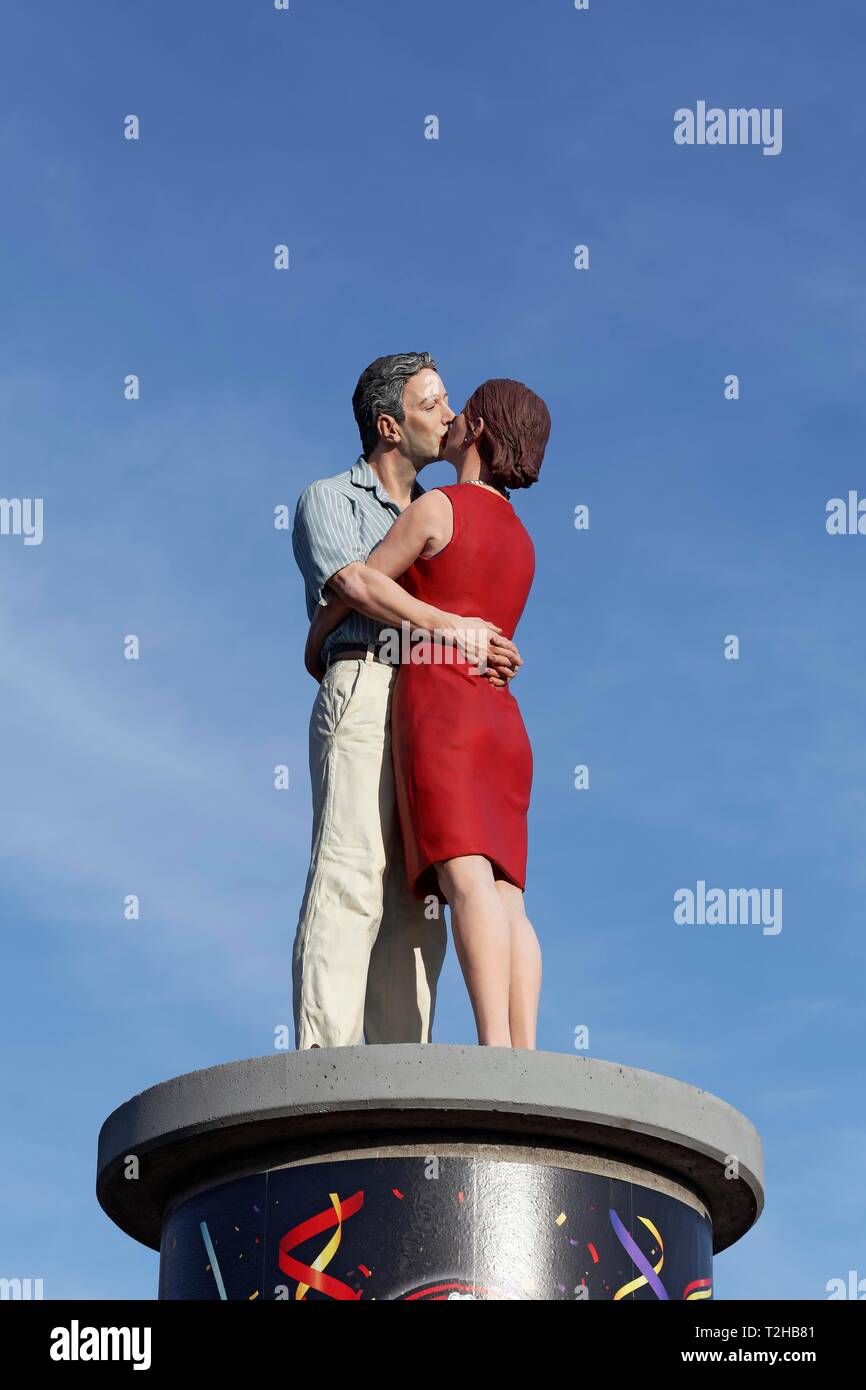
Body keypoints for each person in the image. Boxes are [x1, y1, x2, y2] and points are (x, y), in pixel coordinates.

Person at [306, 379, 550, 1048]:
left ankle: (494, 1051)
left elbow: (360, 583)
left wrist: (315, 638)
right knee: (508, 897)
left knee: (465, 881)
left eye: (461, 408)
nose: (450, 416)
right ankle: (524, 1051)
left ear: (479, 429)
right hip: (503, 717)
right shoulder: (524, 541)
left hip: (445, 713)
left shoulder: (437, 508)